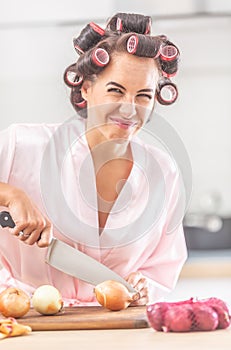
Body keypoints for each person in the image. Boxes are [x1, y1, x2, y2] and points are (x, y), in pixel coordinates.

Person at [0, 13, 187, 306]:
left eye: (143, 96)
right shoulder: (21, 145)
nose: (129, 108)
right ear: (86, 88)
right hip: (23, 322)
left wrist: (144, 285)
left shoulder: (164, 172)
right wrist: (10, 194)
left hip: (116, 330)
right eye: (116, 90)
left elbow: (163, 265)